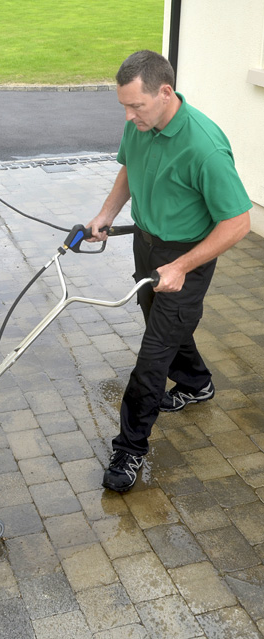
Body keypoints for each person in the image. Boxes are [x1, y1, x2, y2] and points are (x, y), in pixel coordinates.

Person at [86, 50, 252, 492]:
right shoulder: (139, 124)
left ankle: (130, 448)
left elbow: (237, 223)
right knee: (160, 321)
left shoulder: (204, 146)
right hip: (148, 242)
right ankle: (197, 384)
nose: (128, 115)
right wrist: (106, 213)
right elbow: (129, 168)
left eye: (135, 105)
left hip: (187, 254)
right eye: (123, 105)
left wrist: (181, 265)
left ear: (165, 92)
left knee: (153, 353)